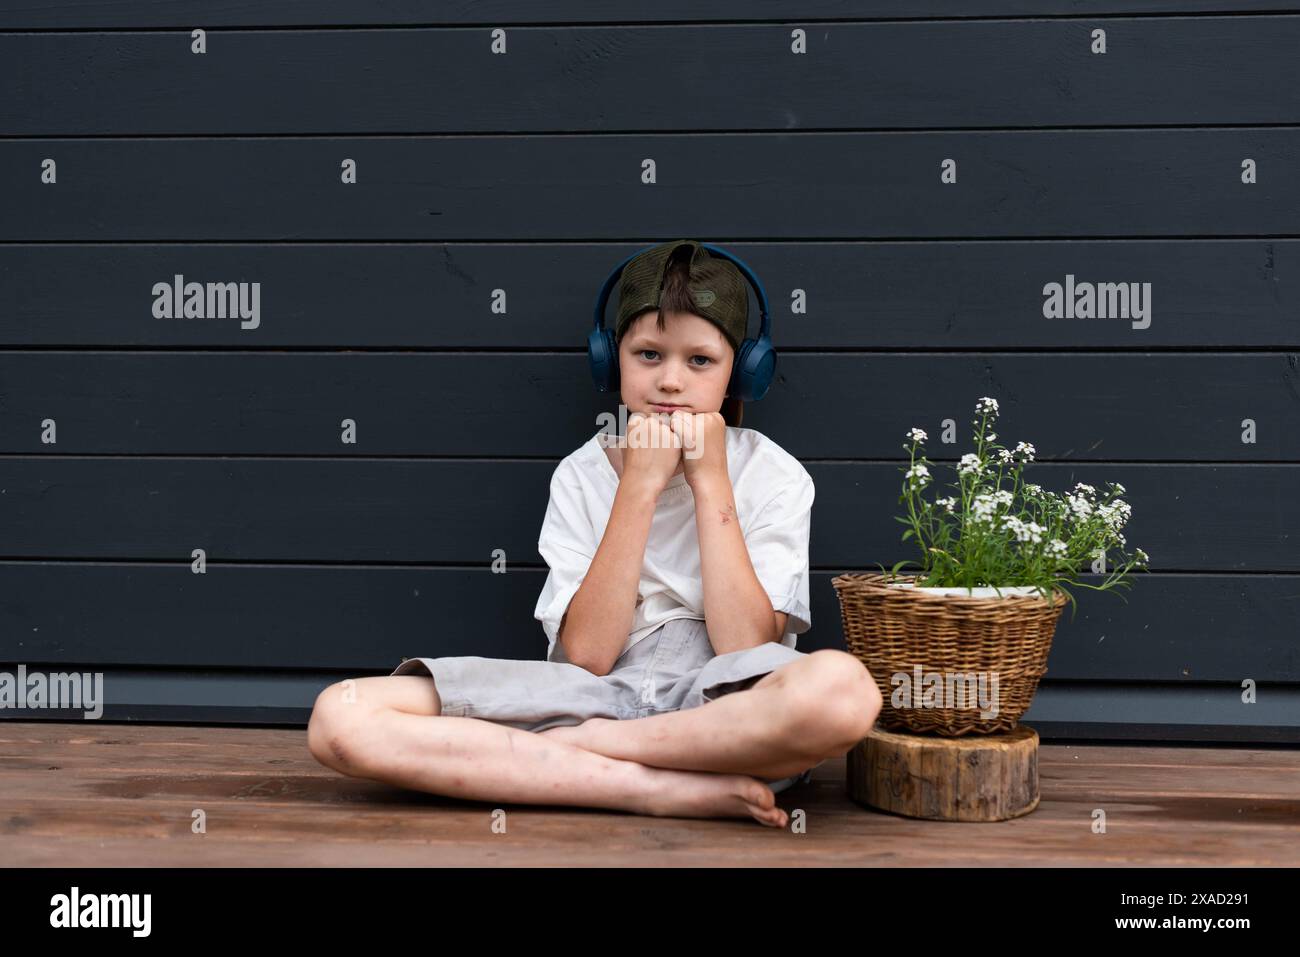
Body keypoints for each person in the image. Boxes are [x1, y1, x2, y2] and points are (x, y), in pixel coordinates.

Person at [307, 240, 882, 827]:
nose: (671, 382)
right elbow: (589, 656)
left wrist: (711, 483)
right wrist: (638, 487)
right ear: (612, 361)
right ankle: (651, 788)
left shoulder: (775, 473)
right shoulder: (581, 474)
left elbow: (743, 648)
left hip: (719, 704)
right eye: (649, 355)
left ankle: (566, 760)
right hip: (591, 695)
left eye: (700, 360)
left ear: (743, 370)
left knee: (842, 691)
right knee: (340, 715)